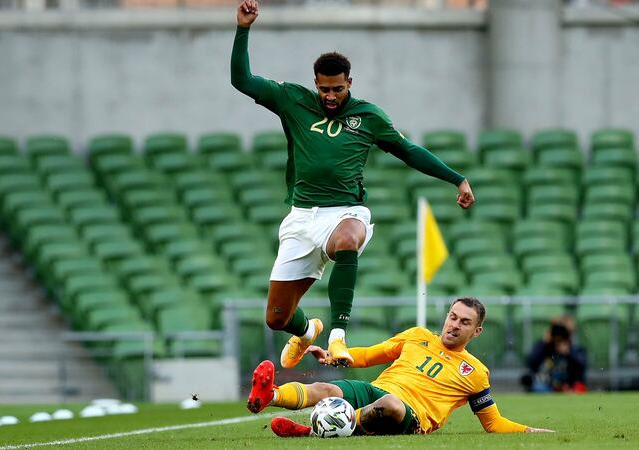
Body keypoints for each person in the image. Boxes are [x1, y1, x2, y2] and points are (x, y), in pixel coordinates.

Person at [231, 0, 475, 376]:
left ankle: (338, 335)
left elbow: (408, 151)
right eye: (325, 89)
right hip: (301, 217)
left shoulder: (369, 117)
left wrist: (456, 178)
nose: (331, 96)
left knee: (348, 239)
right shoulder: (292, 100)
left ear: (350, 83)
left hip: (345, 212)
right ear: (316, 84)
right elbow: (241, 81)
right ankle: (308, 329)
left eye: (338, 89)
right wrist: (243, 29)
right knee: (277, 318)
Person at [245, 297, 554, 436]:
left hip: (410, 416)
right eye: (453, 316)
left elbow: (493, 423)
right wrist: (332, 355)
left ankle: (315, 430)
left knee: (390, 405)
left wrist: (531, 430)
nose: (455, 324)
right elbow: (368, 355)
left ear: (477, 331)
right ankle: (268, 397)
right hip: (376, 390)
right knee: (326, 388)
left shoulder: (475, 373)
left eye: (465, 322)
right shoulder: (417, 336)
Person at [521, 315, 587, 393]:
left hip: (568, 386)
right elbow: (531, 363)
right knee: (538, 387)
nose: (559, 339)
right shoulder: (545, 348)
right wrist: (543, 342)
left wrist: (569, 353)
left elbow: (581, 368)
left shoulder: (575, 350)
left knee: (578, 388)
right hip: (547, 386)